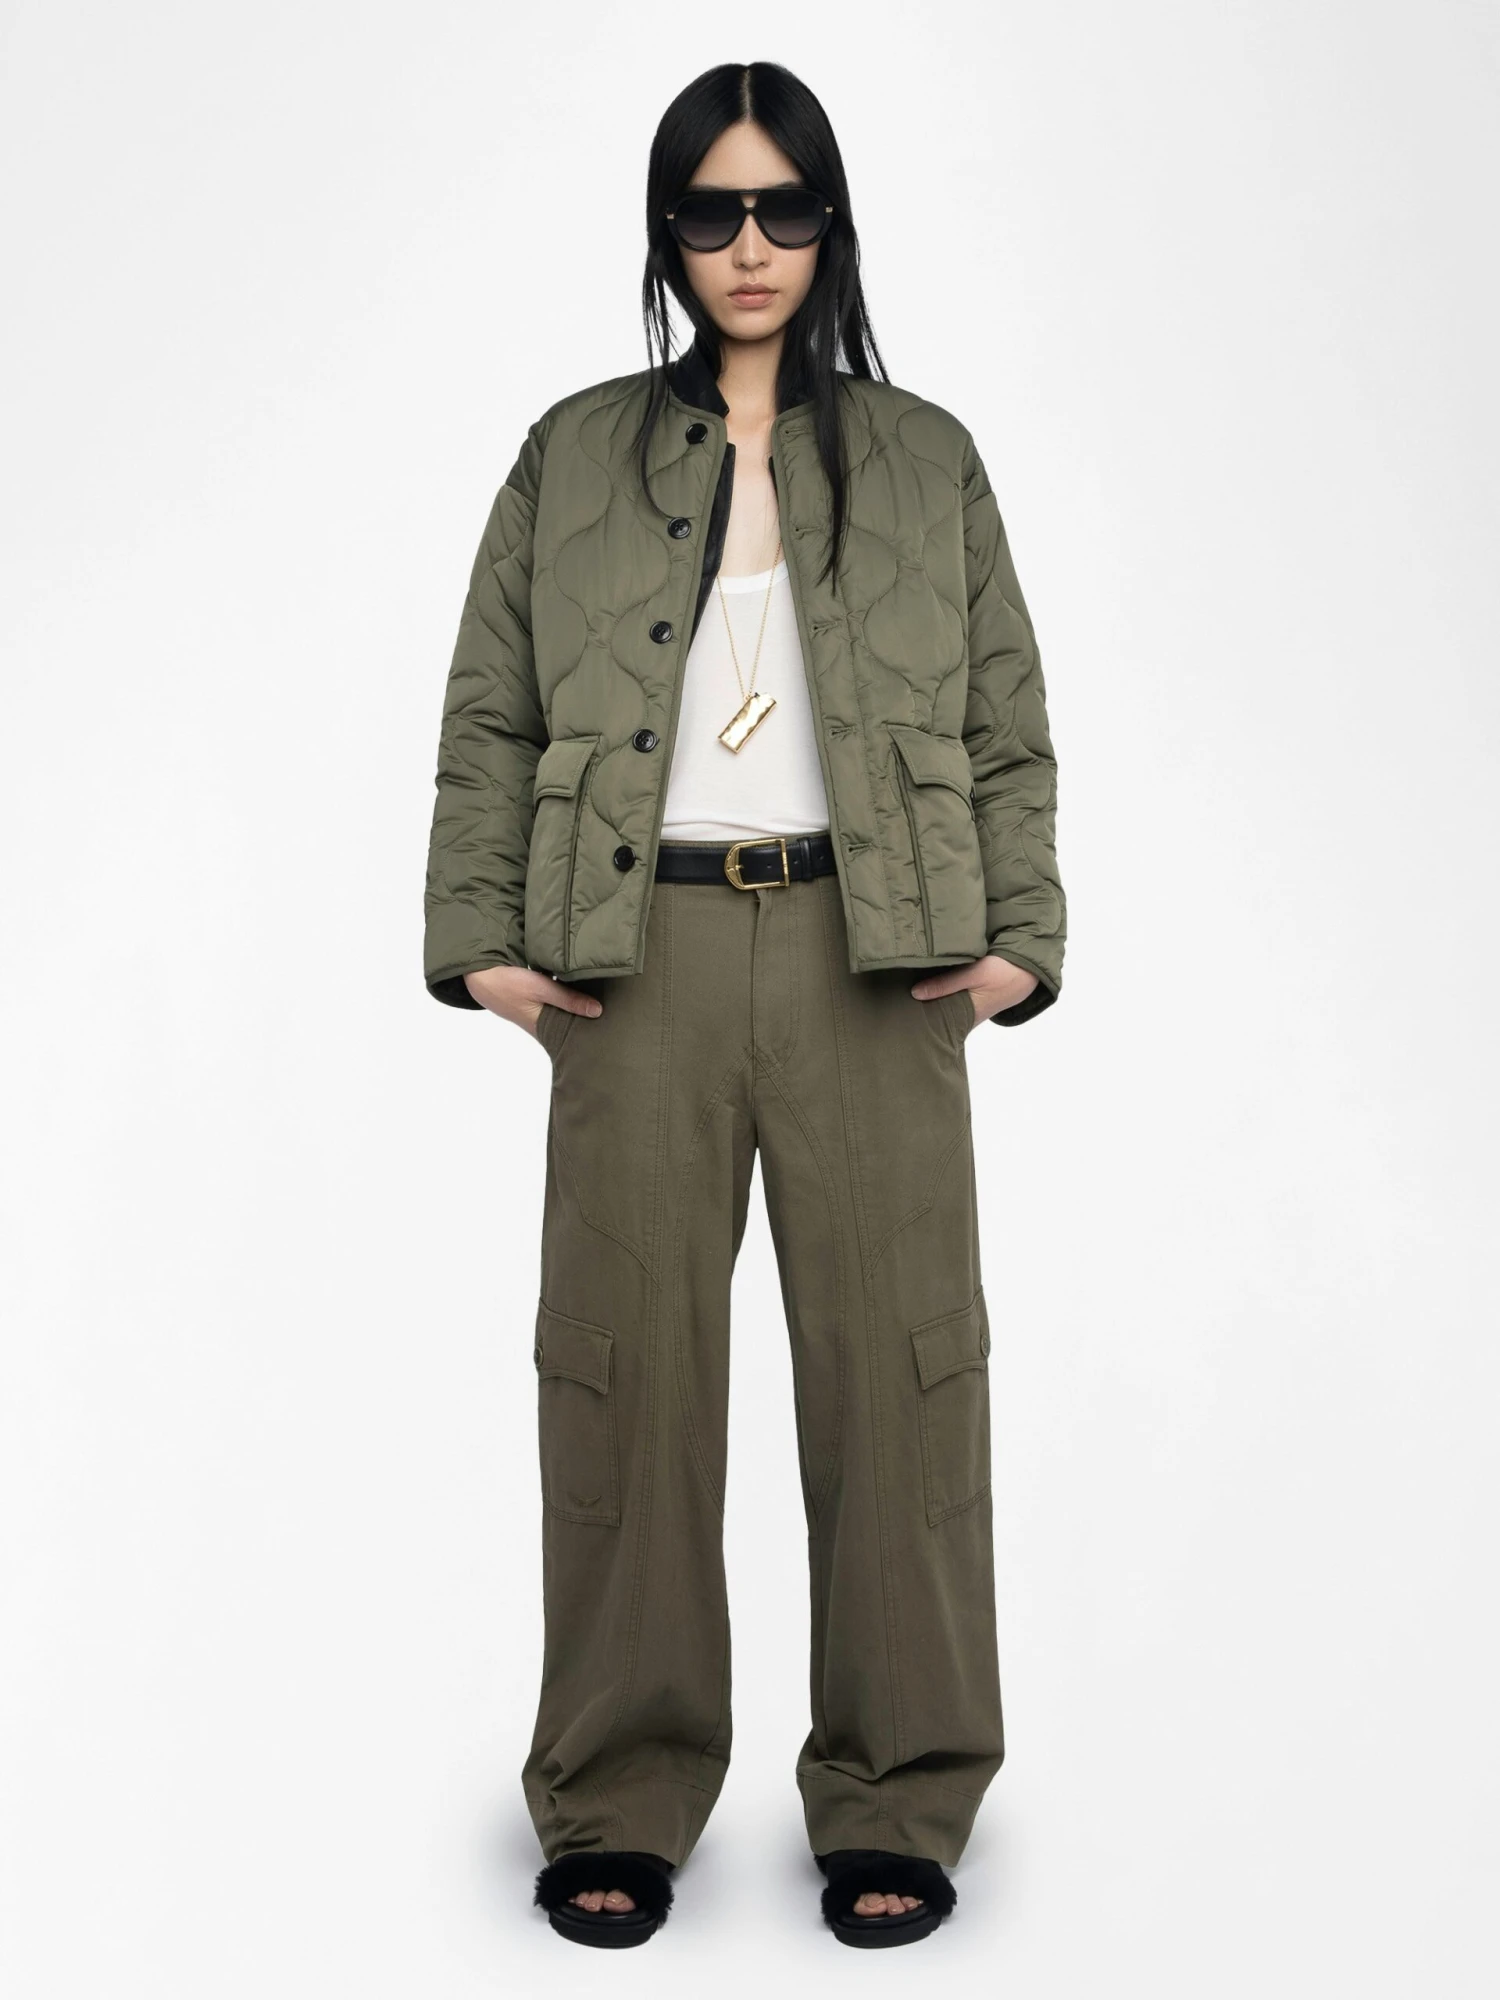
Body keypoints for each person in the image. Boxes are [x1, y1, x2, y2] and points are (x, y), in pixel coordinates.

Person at [421, 59, 1066, 1951]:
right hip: (639, 964)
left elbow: (1009, 720)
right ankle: (617, 1791)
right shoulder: (572, 454)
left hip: (884, 961)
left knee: (903, 1380)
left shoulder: (929, 459)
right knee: (622, 1381)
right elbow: (490, 711)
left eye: (785, 209)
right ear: (669, 232)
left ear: (831, 226)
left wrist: (1020, 939)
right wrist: (479, 940)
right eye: (713, 211)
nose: (751, 246)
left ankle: (900, 1788)